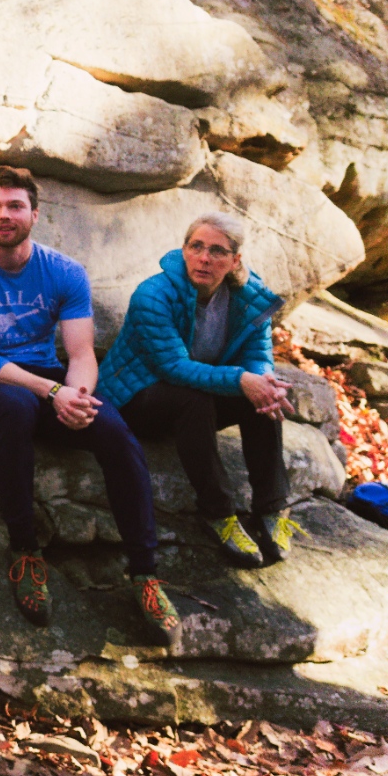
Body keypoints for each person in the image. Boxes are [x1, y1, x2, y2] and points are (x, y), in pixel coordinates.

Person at [0, 167, 176, 644]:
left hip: (51, 381)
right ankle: (25, 551)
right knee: (15, 409)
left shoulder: (64, 271)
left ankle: (145, 573)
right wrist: (51, 392)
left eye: (15, 206)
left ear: (35, 214)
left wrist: (78, 398)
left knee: (113, 429)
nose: (4, 215)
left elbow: (81, 354)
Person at [98, 212, 301, 566]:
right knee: (195, 399)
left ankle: (271, 507)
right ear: (184, 250)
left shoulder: (248, 297)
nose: (204, 258)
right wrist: (240, 380)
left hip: (197, 397)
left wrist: (261, 381)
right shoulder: (153, 295)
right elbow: (173, 367)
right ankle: (218, 513)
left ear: (235, 261)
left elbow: (258, 356)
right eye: (196, 247)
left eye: (217, 251)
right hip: (136, 399)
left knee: (267, 393)